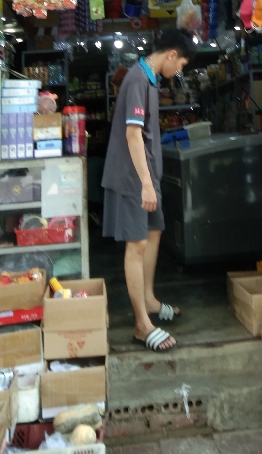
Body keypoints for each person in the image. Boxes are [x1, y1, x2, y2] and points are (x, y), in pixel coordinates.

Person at [101, 27, 194, 352]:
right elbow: (132, 135)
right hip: (131, 178)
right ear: (172, 54)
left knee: (154, 232)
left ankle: (149, 300)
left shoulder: (150, 79)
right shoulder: (138, 80)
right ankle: (142, 324)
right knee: (137, 244)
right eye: (181, 64)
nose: (179, 70)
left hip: (146, 176)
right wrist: (145, 184)